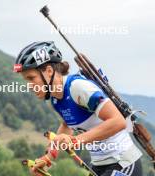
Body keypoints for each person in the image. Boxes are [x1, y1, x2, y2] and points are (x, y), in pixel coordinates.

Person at [13, 41, 143, 176]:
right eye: (26, 80)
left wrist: (76, 140)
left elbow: (119, 121)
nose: (29, 85)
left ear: (49, 71)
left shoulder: (78, 88)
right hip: (98, 166)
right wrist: (47, 158)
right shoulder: (56, 97)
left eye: (31, 78)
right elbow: (66, 126)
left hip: (123, 163)